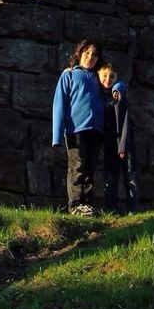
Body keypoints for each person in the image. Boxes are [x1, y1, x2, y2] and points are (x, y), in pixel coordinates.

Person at [51, 39, 105, 215]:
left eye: (94, 54)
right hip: (76, 130)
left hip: (95, 130)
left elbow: (115, 83)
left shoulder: (99, 78)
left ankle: (87, 205)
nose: (90, 57)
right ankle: (75, 205)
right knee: (78, 166)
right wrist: (56, 136)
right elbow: (59, 104)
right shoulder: (70, 75)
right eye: (87, 53)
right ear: (80, 54)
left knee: (90, 168)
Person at [98, 62, 138, 214]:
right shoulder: (100, 96)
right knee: (110, 177)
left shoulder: (118, 95)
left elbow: (125, 123)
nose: (108, 79)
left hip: (124, 142)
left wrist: (122, 146)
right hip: (109, 143)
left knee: (130, 176)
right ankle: (110, 209)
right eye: (105, 76)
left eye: (112, 76)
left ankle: (132, 210)